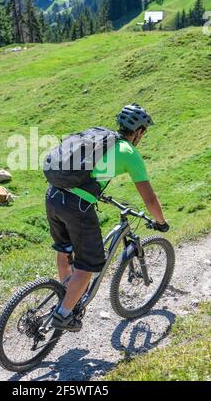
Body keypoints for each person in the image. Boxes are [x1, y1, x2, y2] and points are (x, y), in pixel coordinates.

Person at [45, 104, 170, 332]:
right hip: (77, 206)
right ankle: (63, 314)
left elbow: (89, 170)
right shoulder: (128, 152)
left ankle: (67, 296)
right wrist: (161, 222)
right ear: (139, 131)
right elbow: (150, 200)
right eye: (144, 132)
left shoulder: (100, 135)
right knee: (88, 265)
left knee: (64, 249)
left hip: (53, 194)